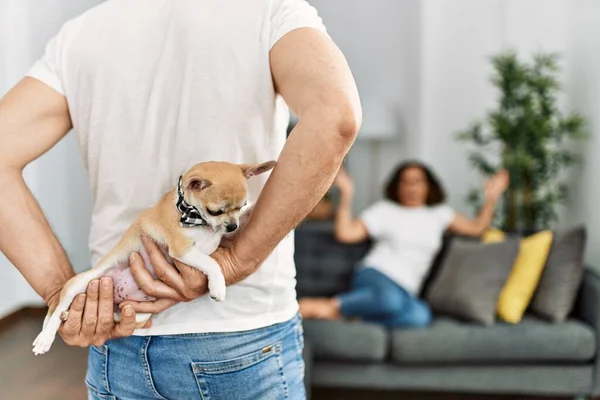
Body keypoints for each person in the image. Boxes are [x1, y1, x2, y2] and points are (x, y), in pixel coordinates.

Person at [0, 1, 361, 399]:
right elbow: (337, 114)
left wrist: (60, 295)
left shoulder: (80, 34)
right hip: (238, 337)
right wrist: (238, 258)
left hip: (119, 340)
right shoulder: (270, 10)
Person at [299, 161, 509, 328]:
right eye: (405, 182)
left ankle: (349, 314)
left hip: (406, 289)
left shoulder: (440, 214)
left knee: (420, 317)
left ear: (428, 186)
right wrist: (346, 195)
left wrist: (491, 198)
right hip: (376, 275)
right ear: (397, 187)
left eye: (417, 181)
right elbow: (345, 234)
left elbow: (477, 228)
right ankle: (332, 305)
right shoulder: (384, 210)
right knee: (389, 299)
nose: (412, 187)